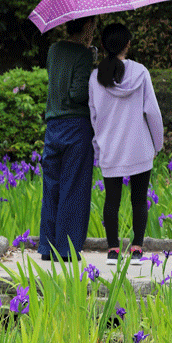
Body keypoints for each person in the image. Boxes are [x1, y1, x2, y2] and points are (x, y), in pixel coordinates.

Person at [88, 22, 163, 262]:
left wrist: (98, 148)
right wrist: (157, 144)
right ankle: (137, 249)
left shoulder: (95, 78)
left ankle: (112, 250)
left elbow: (93, 117)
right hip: (139, 147)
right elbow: (152, 112)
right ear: (128, 44)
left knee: (112, 200)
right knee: (139, 200)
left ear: (102, 45)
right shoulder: (141, 73)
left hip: (111, 148)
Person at [38, 14, 98, 262]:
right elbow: (77, 94)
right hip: (76, 126)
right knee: (74, 185)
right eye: (93, 25)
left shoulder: (53, 50)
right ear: (86, 26)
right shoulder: (83, 55)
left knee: (51, 186)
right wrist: (92, 64)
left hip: (52, 125)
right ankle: (66, 249)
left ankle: (47, 246)